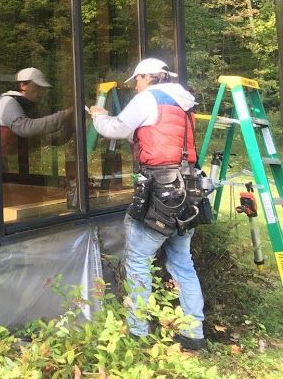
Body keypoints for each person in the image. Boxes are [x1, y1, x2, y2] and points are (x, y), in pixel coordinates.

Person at [88, 58, 205, 351]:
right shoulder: (184, 101)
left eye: (136, 81)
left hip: (160, 191)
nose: (135, 87)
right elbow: (153, 133)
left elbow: (114, 128)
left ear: (148, 78)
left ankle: (138, 332)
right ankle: (194, 332)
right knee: (182, 262)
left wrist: (98, 115)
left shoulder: (148, 98)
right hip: (187, 189)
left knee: (138, 260)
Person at [0, 67, 74, 178]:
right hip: (4, 169)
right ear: (23, 85)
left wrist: (71, 122)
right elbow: (25, 128)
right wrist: (65, 114)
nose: (41, 92)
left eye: (42, 89)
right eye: (37, 87)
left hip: (19, 169)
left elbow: (53, 138)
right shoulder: (8, 101)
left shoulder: (28, 106)